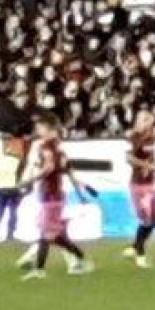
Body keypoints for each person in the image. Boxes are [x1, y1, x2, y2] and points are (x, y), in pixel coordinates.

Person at [18, 113, 93, 280]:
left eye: (41, 128)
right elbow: (68, 171)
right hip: (55, 195)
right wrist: (80, 194)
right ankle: (80, 259)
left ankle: (40, 269)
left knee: (47, 234)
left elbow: (49, 168)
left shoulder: (46, 148)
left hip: (51, 195)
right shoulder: (60, 150)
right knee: (55, 235)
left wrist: (29, 180)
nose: (38, 131)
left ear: (50, 130)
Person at [122, 111, 155, 269]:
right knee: (148, 219)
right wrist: (147, 166)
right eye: (145, 120)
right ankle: (140, 254)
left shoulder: (150, 137)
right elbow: (128, 158)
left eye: (150, 120)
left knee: (154, 219)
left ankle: (135, 246)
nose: (149, 123)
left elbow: (150, 156)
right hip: (139, 185)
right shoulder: (134, 137)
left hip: (149, 183)